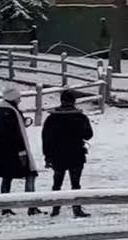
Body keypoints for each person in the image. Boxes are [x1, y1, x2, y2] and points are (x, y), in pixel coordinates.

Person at [40, 89, 94, 217]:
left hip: (57, 154)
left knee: (57, 182)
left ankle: (56, 207)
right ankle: (77, 207)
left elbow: (46, 138)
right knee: (75, 183)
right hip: (76, 153)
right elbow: (89, 135)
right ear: (73, 101)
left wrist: (47, 156)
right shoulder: (80, 117)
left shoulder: (52, 118)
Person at [0, 85, 40, 215]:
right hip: (14, 152)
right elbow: (14, 134)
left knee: (7, 178)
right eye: (18, 97)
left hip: (5, 152)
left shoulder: (3, 112)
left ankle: (5, 206)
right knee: (30, 174)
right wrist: (21, 151)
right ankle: (31, 205)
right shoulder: (10, 112)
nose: (20, 99)